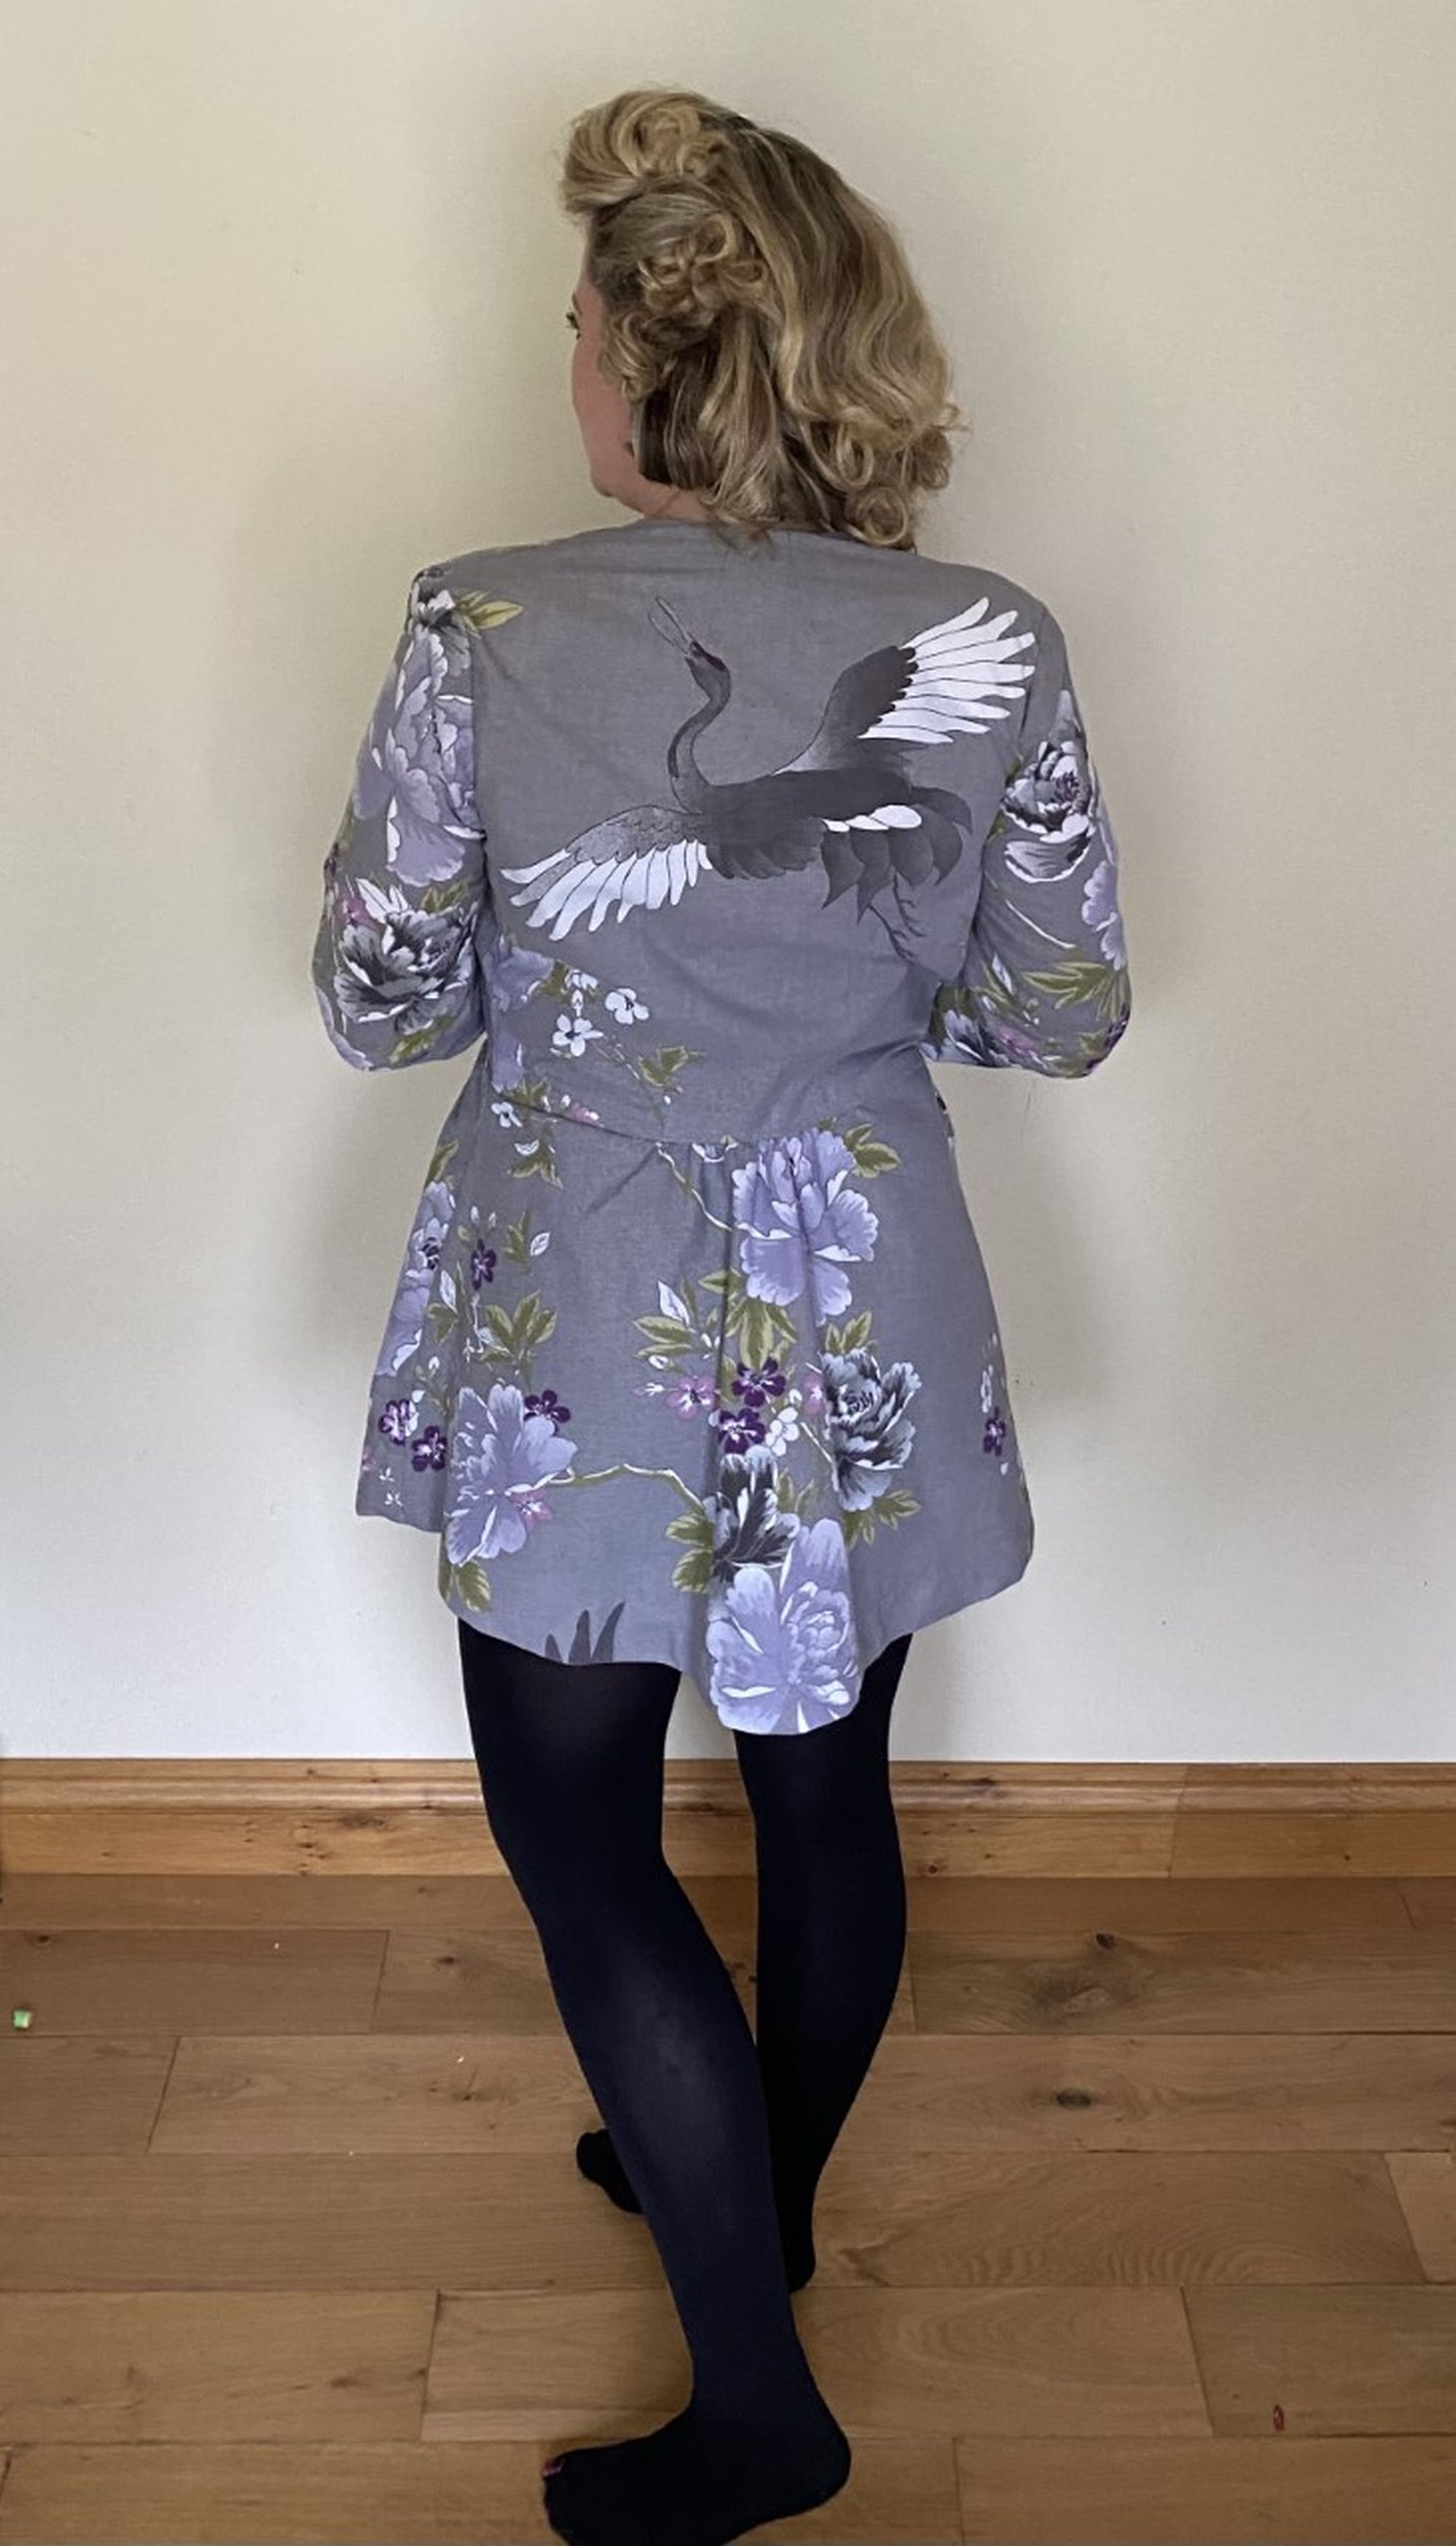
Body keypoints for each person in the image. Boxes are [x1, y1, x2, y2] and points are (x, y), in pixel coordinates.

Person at [311, 82, 1131, 2546]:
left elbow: (379, 997)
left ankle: (762, 2408)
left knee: (579, 1831)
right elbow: (1060, 1008)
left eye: (575, 319)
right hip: (865, 1277)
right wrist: (843, 1021)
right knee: (822, 1788)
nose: (560, 354)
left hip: (588, 1288)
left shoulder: (482, 621)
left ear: (648, 367)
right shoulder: (985, 637)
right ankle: (744, 2194)